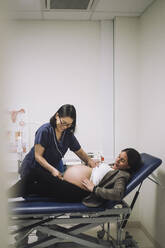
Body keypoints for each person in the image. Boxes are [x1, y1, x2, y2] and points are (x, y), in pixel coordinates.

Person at [9, 104, 98, 201]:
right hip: (33, 168)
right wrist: (53, 170)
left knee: (43, 196)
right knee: (31, 195)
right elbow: (38, 156)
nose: (65, 127)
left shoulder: (68, 135)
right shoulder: (45, 131)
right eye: (63, 122)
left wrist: (89, 161)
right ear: (57, 116)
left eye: (69, 125)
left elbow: (80, 153)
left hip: (48, 172)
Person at [63, 148, 142, 207]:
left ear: (128, 166)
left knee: (50, 180)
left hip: (78, 190)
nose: (117, 160)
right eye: (119, 156)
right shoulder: (113, 167)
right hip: (70, 185)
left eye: (122, 160)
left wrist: (94, 189)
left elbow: (118, 194)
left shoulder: (122, 175)